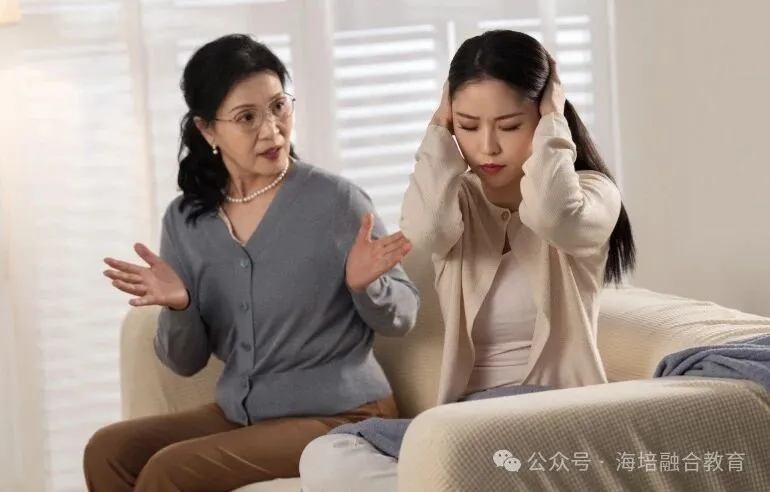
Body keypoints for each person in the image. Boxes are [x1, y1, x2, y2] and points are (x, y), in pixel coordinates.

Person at [298, 29, 636, 491]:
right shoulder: (458, 201)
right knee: (327, 454)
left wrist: (555, 122)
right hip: (467, 422)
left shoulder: (592, 194)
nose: (488, 147)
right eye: (468, 126)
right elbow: (427, 230)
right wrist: (438, 130)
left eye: (510, 126)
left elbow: (551, 215)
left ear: (543, 116)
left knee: (454, 465)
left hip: (555, 416)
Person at [83, 33, 420, 492]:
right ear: (207, 130)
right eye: (247, 117)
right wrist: (180, 307)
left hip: (340, 414)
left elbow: (403, 315)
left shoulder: (335, 201)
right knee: (108, 450)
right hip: (242, 414)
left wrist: (367, 287)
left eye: (279, 106)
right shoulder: (186, 221)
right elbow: (184, 363)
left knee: (169, 471)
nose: (272, 130)